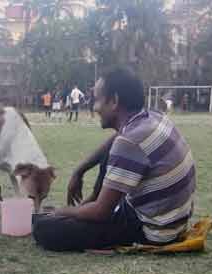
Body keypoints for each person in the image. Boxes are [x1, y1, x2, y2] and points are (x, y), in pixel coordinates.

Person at [33, 67, 196, 252]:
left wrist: (62, 212)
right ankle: (89, 204)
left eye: (97, 100)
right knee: (111, 153)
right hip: (173, 219)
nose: (94, 108)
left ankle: (82, 210)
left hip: (153, 229)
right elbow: (116, 140)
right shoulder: (151, 117)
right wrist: (81, 169)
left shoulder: (129, 142)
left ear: (114, 101)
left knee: (45, 230)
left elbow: (101, 212)